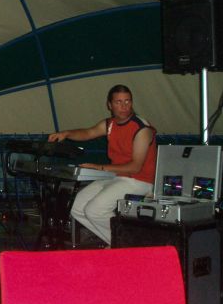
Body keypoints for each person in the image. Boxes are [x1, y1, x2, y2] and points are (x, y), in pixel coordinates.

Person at [47, 84, 157, 246]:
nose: (124, 106)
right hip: (116, 177)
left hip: (139, 180)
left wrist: (98, 167)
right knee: (76, 207)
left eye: (127, 101)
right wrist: (67, 133)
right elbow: (88, 132)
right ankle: (118, 244)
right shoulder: (110, 124)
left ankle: (128, 244)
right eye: (118, 102)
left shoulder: (142, 129)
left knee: (94, 210)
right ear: (109, 105)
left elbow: (135, 167)